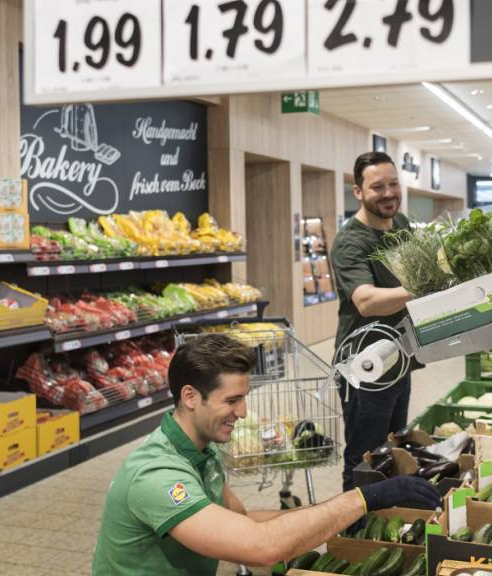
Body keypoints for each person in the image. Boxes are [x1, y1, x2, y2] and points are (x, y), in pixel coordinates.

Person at [91, 334, 439, 575]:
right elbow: (261, 547)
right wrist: (363, 498)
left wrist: (336, 515)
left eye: (243, 398)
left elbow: (243, 519)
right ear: (190, 397)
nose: (243, 413)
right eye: (231, 400)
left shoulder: (202, 450)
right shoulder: (157, 475)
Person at [330, 151, 413, 492]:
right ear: (359, 193)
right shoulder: (351, 241)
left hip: (400, 354)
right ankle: (354, 533)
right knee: (364, 456)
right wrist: (421, 290)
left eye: (393, 184)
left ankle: (387, 514)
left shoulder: (402, 225)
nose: (389, 193)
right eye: (377, 187)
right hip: (363, 366)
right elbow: (365, 300)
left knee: (394, 445)